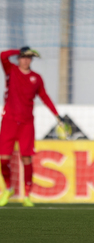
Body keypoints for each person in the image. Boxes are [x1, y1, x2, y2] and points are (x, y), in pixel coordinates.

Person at [0, 46, 63, 207]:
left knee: (26, 158)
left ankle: (27, 195)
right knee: (4, 158)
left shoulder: (36, 78)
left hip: (27, 123)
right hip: (9, 121)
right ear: (19, 58)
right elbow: (3, 55)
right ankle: (9, 188)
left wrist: (56, 115)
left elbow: (44, 96)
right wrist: (18, 50)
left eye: (29, 57)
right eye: (23, 57)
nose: (26, 60)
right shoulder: (11, 70)